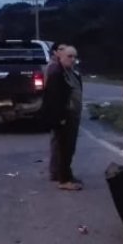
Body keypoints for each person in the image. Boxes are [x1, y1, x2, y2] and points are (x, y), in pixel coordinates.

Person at [43, 45, 83, 190]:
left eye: (74, 57)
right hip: (64, 118)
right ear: (60, 56)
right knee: (63, 149)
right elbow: (53, 99)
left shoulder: (72, 73)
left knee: (69, 148)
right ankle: (63, 180)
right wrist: (59, 118)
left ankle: (67, 174)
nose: (72, 59)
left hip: (73, 117)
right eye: (69, 56)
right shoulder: (57, 73)